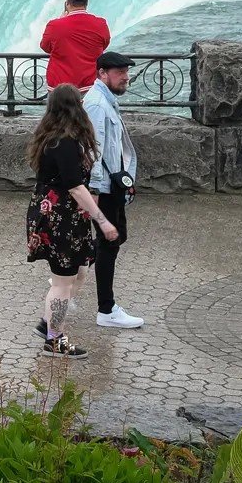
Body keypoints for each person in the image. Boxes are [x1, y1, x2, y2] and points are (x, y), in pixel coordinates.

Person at [25, 84, 118, 359]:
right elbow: (76, 188)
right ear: (76, 109)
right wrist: (103, 221)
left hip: (60, 213)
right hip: (59, 217)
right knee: (62, 283)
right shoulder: (64, 143)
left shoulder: (52, 136)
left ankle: (47, 324)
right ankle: (54, 341)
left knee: (78, 274)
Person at [84, 52, 145, 331]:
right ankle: (106, 309)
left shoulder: (106, 100)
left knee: (110, 240)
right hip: (104, 187)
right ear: (102, 73)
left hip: (111, 185)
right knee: (110, 242)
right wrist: (94, 189)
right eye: (119, 72)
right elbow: (93, 150)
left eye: (126, 71)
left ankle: (67, 280)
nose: (126, 76)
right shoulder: (97, 104)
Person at [41, 0, 112, 90]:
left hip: (60, 88)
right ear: (86, 3)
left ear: (67, 4)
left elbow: (45, 46)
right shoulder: (100, 24)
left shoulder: (54, 25)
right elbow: (104, 44)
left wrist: (61, 19)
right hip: (90, 86)